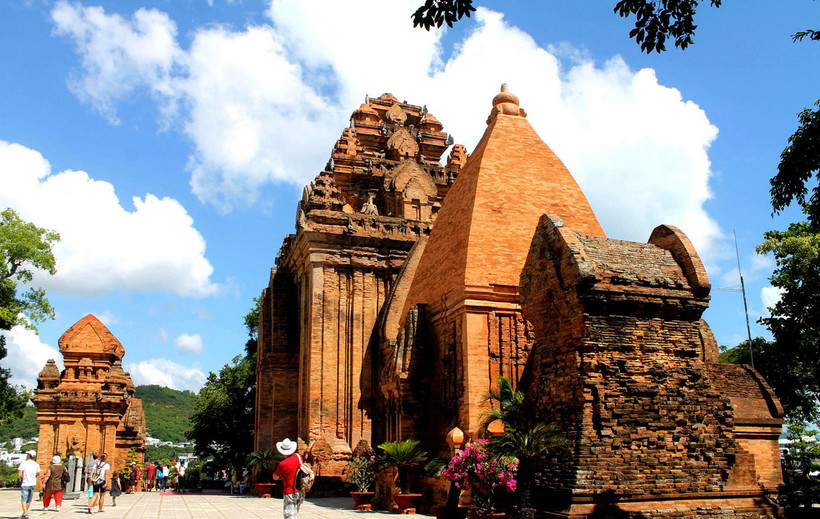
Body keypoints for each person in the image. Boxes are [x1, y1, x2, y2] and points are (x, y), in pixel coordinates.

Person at [273, 438, 305, 519]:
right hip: (300, 490)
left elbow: (275, 477)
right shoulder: (298, 456)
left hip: (290, 491)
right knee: (295, 512)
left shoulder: (283, 464)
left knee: (289, 515)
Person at [17, 450, 40, 519]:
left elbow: (19, 474)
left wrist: (21, 478)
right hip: (33, 483)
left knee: (24, 498)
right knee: (29, 499)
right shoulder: (36, 464)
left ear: (29, 455)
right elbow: (38, 473)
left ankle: (25, 512)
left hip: (25, 483)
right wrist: (34, 476)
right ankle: (25, 512)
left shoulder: (24, 463)